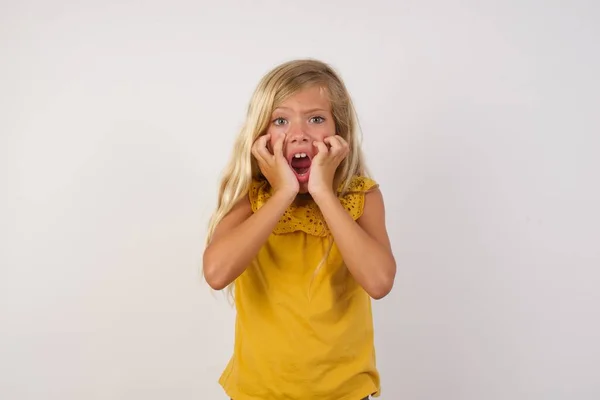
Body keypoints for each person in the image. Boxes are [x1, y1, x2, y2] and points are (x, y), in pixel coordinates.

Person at [202, 59, 396, 400]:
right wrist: (283, 193)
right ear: (261, 136)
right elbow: (217, 273)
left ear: (341, 133)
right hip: (259, 393)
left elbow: (379, 283)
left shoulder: (362, 198)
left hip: (345, 393)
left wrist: (323, 193)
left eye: (317, 118)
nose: (299, 133)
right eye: (280, 120)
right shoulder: (251, 199)